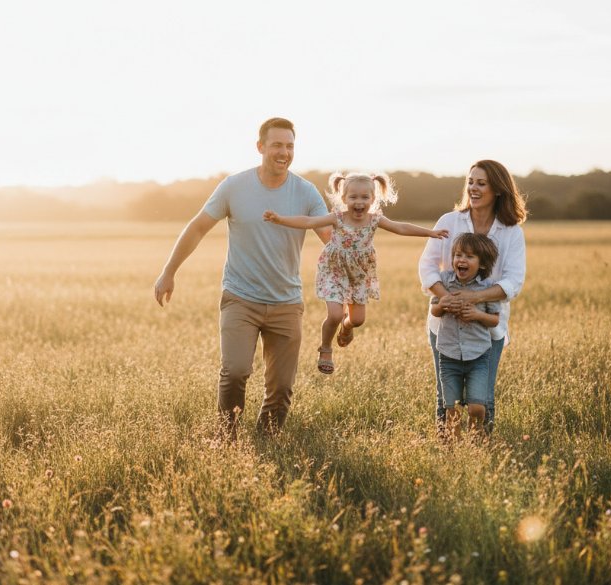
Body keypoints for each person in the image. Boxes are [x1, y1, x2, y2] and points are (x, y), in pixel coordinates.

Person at [153, 117, 331, 439]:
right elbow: (197, 227)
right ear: (260, 146)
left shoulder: (305, 192)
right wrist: (169, 271)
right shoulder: (234, 187)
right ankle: (227, 437)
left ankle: (266, 441)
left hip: (286, 302)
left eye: (290, 146)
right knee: (235, 372)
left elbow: (330, 238)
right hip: (240, 298)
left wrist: (355, 269)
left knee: (281, 387)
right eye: (277, 145)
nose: (284, 152)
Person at [264, 172, 448, 374]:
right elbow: (308, 222)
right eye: (353, 197)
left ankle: (347, 327)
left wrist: (430, 232)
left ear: (372, 199)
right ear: (344, 199)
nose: (358, 202)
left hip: (359, 275)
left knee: (358, 319)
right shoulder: (337, 218)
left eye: (364, 197)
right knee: (334, 314)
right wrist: (280, 219)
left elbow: (401, 227)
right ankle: (325, 348)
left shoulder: (375, 220)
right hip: (334, 271)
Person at [418, 160, 527, 434]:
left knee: (484, 399)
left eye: (481, 183)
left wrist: (472, 298)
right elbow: (427, 266)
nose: (473, 188)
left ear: (498, 190)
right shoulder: (449, 221)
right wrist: (449, 299)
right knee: (446, 398)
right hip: (445, 325)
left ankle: (481, 454)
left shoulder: (511, 232)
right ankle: (448, 453)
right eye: (470, 182)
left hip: (489, 328)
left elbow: (514, 281)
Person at [430, 233, 500, 439]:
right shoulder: (444, 281)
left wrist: (477, 314)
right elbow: (435, 311)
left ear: (482, 264)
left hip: (478, 355)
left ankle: (475, 437)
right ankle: (454, 447)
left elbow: (494, 320)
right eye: (458, 255)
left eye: (469, 257)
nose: (462, 260)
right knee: (451, 410)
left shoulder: (488, 287)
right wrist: (442, 305)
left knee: (477, 407)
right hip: (448, 355)